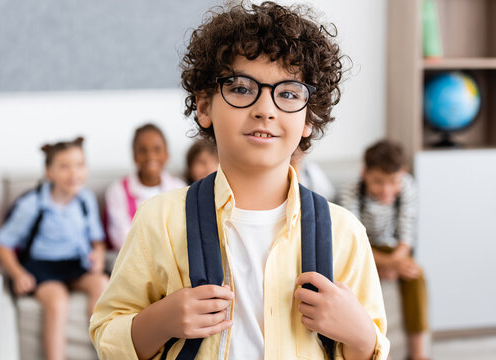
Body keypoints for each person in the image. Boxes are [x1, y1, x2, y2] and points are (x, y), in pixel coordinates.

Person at [90, 2, 389, 359]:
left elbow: (367, 348)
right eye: (243, 88)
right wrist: (161, 320)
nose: (266, 109)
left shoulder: (344, 232)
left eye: (289, 93)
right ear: (204, 107)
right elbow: (107, 333)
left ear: (310, 117)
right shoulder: (160, 220)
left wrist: (361, 336)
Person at [0, 137, 109, 360]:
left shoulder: (85, 199)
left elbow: (97, 240)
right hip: (42, 266)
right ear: (49, 172)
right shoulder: (33, 204)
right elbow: (1, 244)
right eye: (64, 167)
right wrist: (18, 274)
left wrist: (99, 254)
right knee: (57, 301)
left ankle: (104, 353)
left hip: (75, 262)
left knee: (102, 284)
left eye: (79, 164)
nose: (74, 173)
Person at [339, 139, 429, 360]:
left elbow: (406, 234)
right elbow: (354, 241)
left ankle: (419, 354)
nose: (387, 190)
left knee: (415, 276)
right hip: (362, 251)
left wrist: (396, 262)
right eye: (378, 181)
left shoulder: (408, 186)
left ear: (403, 173)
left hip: (392, 250)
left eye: (393, 181)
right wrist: (382, 266)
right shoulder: (351, 192)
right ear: (365, 174)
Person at [104, 123, 186, 250]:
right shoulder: (118, 191)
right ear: (134, 155)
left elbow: (183, 233)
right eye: (142, 150)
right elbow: (122, 240)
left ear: (166, 154)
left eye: (157, 149)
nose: (150, 156)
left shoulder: (180, 189)